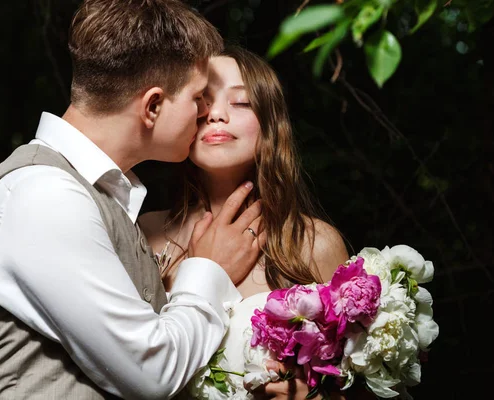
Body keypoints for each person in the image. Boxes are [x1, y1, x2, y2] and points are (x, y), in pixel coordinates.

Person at [0, 2, 266, 399]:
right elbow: (152, 371)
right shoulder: (43, 195)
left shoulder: (99, 195)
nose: (206, 112)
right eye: (198, 97)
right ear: (152, 106)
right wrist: (209, 269)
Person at [139, 45, 361, 399]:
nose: (216, 115)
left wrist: (316, 395)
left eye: (240, 102)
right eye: (202, 100)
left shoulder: (313, 243)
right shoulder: (143, 233)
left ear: (272, 124)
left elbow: (355, 384)